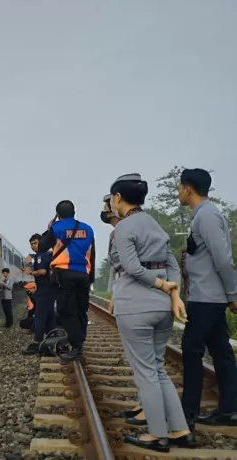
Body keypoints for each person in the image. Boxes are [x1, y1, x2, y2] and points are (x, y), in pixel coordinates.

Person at [109, 173, 194, 452]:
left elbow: (132, 268)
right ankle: (180, 429)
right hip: (162, 307)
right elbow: (171, 264)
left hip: (135, 306)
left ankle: (158, 435)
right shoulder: (155, 226)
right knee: (157, 369)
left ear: (118, 198)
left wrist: (159, 284)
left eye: (112, 197)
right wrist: (173, 295)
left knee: (145, 373)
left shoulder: (123, 227)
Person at [178, 168, 237, 428]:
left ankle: (187, 412)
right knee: (221, 351)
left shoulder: (208, 216)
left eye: (180, 187)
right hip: (207, 296)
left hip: (207, 298)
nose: (179, 192)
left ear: (188, 188)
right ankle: (230, 410)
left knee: (191, 350)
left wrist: (233, 293)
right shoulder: (203, 215)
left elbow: (223, 258)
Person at [101, 194, 146, 424]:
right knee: (136, 358)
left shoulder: (133, 229)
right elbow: (114, 268)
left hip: (137, 294)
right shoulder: (114, 233)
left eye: (108, 206)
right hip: (125, 292)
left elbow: (137, 267)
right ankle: (144, 404)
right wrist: (113, 294)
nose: (105, 211)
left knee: (144, 360)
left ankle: (150, 412)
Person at [39, 200, 95, 361]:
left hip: (64, 275)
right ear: (74, 212)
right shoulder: (88, 229)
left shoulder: (56, 228)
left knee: (67, 311)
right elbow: (93, 254)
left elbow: (42, 247)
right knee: (81, 309)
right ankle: (80, 342)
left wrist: (49, 228)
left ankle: (76, 347)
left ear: (58, 215)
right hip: (83, 275)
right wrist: (90, 278)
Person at [23, 234, 57, 354]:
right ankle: (51, 342)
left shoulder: (42, 255)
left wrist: (31, 272)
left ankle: (38, 343)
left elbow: (42, 271)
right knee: (50, 316)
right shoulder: (45, 254)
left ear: (41, 243)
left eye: (35, 243)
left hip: (45, 290)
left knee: (40, 316)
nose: (33, 246)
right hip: (48, 290)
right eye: (31, 244)